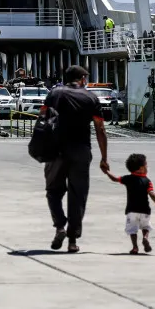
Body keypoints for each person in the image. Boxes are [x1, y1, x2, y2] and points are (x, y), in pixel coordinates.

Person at [42, 65, 109, 253]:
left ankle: (60, 227)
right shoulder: (91, 98)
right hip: (81, 150)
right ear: (82, 79)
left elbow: (43, 119)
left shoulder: (54, 94)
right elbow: (100, 129)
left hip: (56, 151)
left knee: (53, 191)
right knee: (77, 195)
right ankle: (72, 241)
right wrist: (104, 158)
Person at [102, 153, 155, 254]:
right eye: (146, 165)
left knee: (132, 229)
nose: (147, 167)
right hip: (145, 210)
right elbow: (151, 193)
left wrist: (107, 172)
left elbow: (115, 179)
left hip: (131, 210)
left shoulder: (127, 178)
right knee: (146, 226)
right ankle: (145, 237)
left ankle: (135, 247)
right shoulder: (147, 181)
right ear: (141, 168)